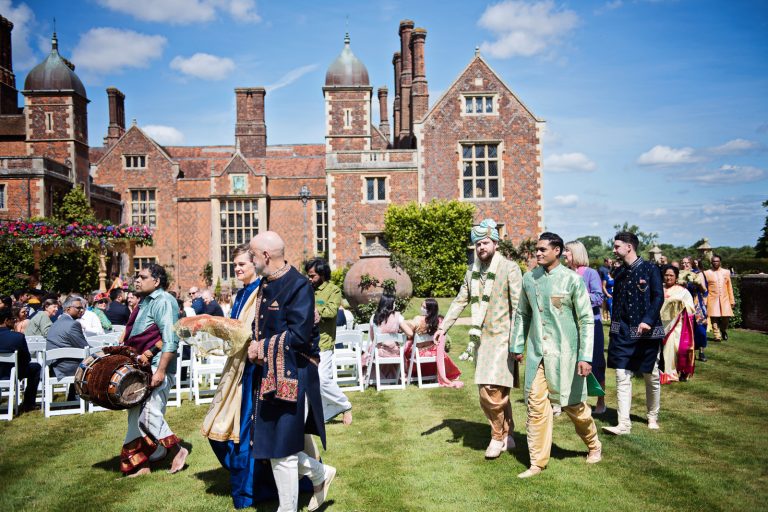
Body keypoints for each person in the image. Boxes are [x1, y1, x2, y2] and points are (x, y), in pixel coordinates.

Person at [246, 231, 334, 512]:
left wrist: (261, 347)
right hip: (269, 374)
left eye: (252, 255)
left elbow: (299, 335)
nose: (250, 260)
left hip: (294, 375)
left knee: (281, 451)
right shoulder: (266, 283)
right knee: (274, 447)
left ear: (265, 256)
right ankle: (320, 473)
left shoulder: (298, 285)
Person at [511, 233, 601, 478]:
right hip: (537, 356)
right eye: (537, 249)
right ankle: (537, 462)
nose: (538, 253)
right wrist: (517, 345)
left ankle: (594, 445)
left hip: (566, 357)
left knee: (575, 407)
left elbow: (586, 320)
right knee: (536, 407)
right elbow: (522, 314)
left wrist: (585, 356)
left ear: (557, 251)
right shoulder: (529, 279)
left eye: (543, 249)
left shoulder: (572, 280)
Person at [438, 218, 523, 459]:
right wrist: (443, 328)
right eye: (477, 244)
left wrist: (517, 342)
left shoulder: (510, 268)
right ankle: (508, 434)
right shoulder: (471, 272)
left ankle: (496, 437)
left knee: (490, 390)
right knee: (495, 390)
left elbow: (518, 308)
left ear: (496, 243)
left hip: (503, 339)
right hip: (481, 341)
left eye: (485, 243)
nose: (481, 248)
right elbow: (459, 301)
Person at [203, 243, 276, 508]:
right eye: (234, 265)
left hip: (253, 367)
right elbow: (234, 328)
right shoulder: (241, 293)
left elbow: (257, 330)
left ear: (255, 264)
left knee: (244, 427)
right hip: (236, 364)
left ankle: (252, 487)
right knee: (220, 422)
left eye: (241, 264)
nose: (236, 268)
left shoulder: (262, 292)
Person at [119, 263, 187, 477]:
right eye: (137, 277)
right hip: (140, 367)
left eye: (142, 277)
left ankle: (176, 450)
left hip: (157, 366)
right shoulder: (144, 302)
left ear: (156, 281)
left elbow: (170, 339)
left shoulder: (164, 301)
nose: (137, 280)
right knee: (134, 415)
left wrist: (160, 371)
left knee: (148, 415)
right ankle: (142, 464)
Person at [603, 232, 664, 435]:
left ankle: (652, 415)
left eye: (617, 246)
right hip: (622, 332)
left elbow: (658, 297)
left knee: (651, 375)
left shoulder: (650, 269)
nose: (614, 250)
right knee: (622, 375)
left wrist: (647, 320)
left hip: (647, 332)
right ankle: (623, 424)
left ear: (629, 247)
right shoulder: (619, 272)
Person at [305, 257, 353, 425]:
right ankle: (324, 412)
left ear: (323, 274)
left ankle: (345, 405)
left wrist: (314, 310)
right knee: (310, 382)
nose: (309, 279)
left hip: (323, 343)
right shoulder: (306, 289)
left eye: (312, 276)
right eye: (308, 275)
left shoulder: (333, 290)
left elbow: (332, 311)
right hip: (305, 343)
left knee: (323, 379)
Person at [565, 240, 606, 414]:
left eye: (567, 250)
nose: (564, 254)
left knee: (595, 362)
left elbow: (598, 298)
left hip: (591, 325)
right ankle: (573, 400)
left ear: (576, 253)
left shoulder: (590, 273)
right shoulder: (564, 274)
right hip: (570, 326)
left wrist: (578, 295)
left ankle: (601, 402)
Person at [405, 298, 462, 387]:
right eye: (421, 306)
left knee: (405, 348)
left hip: (418, 352)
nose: (421, 308)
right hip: (432, 351)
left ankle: (405, 373)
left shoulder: (418, 319)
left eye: (424, 307)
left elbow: (410, 335)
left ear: (429, 309)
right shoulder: (438, 321)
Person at [0, 307, 41, 412]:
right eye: (13, 319)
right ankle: (28, 403)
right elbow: (27, 359)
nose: (14, 321)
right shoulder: (17, 337)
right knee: (36, 367)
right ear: (6, 320)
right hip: (13, 372)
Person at [659, 265, 695, 383]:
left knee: (671, 348)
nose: (668, 278)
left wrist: (679, 305)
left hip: (675, 325)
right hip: (658, 323)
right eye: (666, 275)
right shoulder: (658, 288)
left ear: (676, 277)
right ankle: (658, 371)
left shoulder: (683, 291)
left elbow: (691, 308)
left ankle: (670, 373)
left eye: (671, 275)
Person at [367, 294, 413, 381]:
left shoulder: (374, 317)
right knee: (397, 348)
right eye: (394, 302)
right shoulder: (398, 317)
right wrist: (398, 333)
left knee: (370, 350)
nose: (395, 304)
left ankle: (379, 376)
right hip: (394, 352)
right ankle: (395, 376)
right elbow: (410, 333)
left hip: (378, 352)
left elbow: (373, 339)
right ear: (390, 304)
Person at [46, 295, 90, 378]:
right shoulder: (73, 324)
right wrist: (101, 351)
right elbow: (85, 347)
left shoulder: (56, 322)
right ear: (68, 309)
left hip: (53, 366)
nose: (81, 310)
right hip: (66, 368)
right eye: (78, 308)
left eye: (82, 308)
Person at [680, 257, 709, 361]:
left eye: (687, 263)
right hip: (683, 305)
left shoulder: (697, 273)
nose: (685, 265)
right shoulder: (678, 274)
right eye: (683, 263)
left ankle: (701, 351)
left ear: (691, 264)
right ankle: (690, 351)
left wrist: (698, 282)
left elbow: (704, 290)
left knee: (700, 329)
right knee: (687, 329)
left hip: (697, 305)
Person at [704, 255, 735, 342]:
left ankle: (723, 330)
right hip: (712, 298)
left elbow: (729, 287)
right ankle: (717, 335)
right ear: (711, 262)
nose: (715, 263)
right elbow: (705, 289)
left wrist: (732, 300)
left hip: (725, 299)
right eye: (714, 261)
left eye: (717, 261)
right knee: (714, 317)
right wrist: (705, 301)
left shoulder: (726, 272)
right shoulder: (707, 273)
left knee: (726, 317)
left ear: (720, 262)